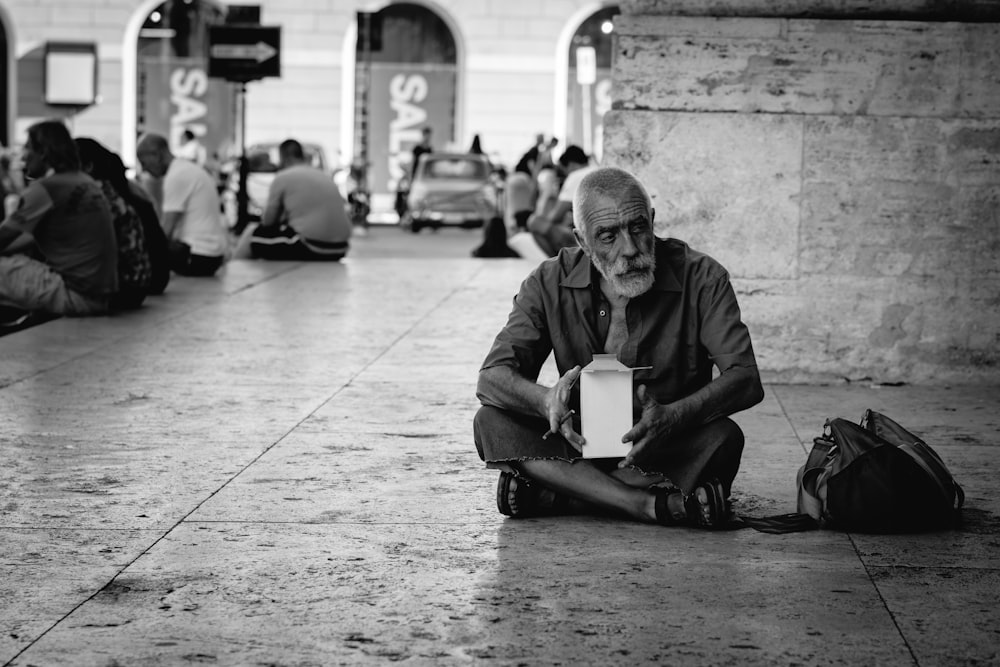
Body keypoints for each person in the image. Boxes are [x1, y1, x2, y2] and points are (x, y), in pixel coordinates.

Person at [474, 166, 764, 529]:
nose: (629, 249)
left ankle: (564, 494)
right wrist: (545, 400)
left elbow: (746, 379)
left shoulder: (703, 277)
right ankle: (646, 504)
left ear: (653, 221)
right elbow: (492, 378)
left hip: (664, 444)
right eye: (608, 236)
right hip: (578, 443)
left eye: (638, 228)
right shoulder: (548, 282)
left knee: (724, 439)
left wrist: (674, 418)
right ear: (582, 241)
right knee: (491, 420)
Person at [0, 120, 118, 319]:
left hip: (74, 294)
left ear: (44, 153)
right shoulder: (84, 181)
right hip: (100, 296)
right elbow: (25, 239)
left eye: (27, 148)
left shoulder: (46, 188)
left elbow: (3, 237)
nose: (22, 157)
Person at [234, 139, 352, 261]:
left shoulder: (283, 177)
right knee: (275, 239)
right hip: (341, 248)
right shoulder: (324, 176)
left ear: (283, 156)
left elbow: (267, 222)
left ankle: (234, 270)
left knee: (252, 234)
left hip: (311, 246)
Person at [75, 137, 152, 310]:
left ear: (88, 167)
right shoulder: (110, 192)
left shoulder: (94, 198)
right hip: (137, 286)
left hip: (121, 290)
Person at [136, 133, 228, 277]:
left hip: (198, 256)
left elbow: (165, 231)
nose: (144, 169)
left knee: (142, 247)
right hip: (212, 256)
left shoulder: (177, 176)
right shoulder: (186, 169)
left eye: (144, 162)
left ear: (157, 155)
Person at [527, 144, 594, 257]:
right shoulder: (599, 169)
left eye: (565, 171)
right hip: (602, 233)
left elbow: (555, 216)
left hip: (587, 237)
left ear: (571, 165)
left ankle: (560, 264)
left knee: (535, 222)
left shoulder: (575, 176)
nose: (566, 174)